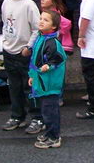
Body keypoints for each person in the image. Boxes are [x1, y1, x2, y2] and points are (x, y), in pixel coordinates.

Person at [0, 0, 41, 130]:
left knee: (29, 86)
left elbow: (37, 29)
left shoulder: (29, 5)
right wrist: (5, 42)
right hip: (9, 50)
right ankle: (17, 116)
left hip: (24, 52)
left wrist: (28, 46)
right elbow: (5, 24)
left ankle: (37, 117)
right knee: (14, 86)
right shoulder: (6, 3)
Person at [28, 9, 67, 149]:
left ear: (54, 26)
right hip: (43, 82)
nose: (41, 22)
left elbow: (59, 59)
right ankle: (50, 132)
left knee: (50, 111)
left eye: (46, 20)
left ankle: (54, 137)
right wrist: (32, 76)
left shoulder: (52, 42)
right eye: (41, 19)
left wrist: (48, 66)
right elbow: (34, 60)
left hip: (50, 84)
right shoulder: (41, 38)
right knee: (46, 111)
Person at [39, 0, 72, 110]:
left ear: (53, 2)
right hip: (49, 47)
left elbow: (67, 24)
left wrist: (57, 32)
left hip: (58, 47)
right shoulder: (45, 13)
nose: (42, 0)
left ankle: (58, 97)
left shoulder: (54, 14)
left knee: (56, 72)